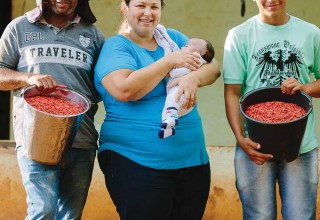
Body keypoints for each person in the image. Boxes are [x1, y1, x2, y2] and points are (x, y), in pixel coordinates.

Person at [94, 0, 220, 219]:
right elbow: (125, 89)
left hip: (192, 160)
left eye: (154, 7)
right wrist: (169, 61)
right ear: (125, 8)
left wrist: (194, 78)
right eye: (140, 5)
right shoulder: (117, 46)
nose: (148, 13)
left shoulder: (173, 38)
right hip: (135, 160)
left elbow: (214, 66)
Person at [0, 0, 105, 219]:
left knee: (70, 215)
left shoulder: (93, 35)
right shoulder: (19, 27)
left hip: (81, 139)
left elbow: (106, 84)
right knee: (43, 210)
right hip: (35, 139)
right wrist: (29, 77)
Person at [223, 0, 320, 219]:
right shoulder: (239, 35)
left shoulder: (311, 33)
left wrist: (304, 87)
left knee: (301, 216)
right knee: (258, 216)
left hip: (301, 145)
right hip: (254, 145)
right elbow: (232, 92)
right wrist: (240, 138)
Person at [154, 26, 215, 138]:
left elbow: (180, 71)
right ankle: (168, 129)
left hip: (180, 94)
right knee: (166, 109)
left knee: (172, 99)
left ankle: (171, 116)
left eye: (186, 46)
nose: (182, 47)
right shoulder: (187, 55)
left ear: (196, 53)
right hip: (182, 103)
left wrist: (170, 71)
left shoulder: (193, 60)